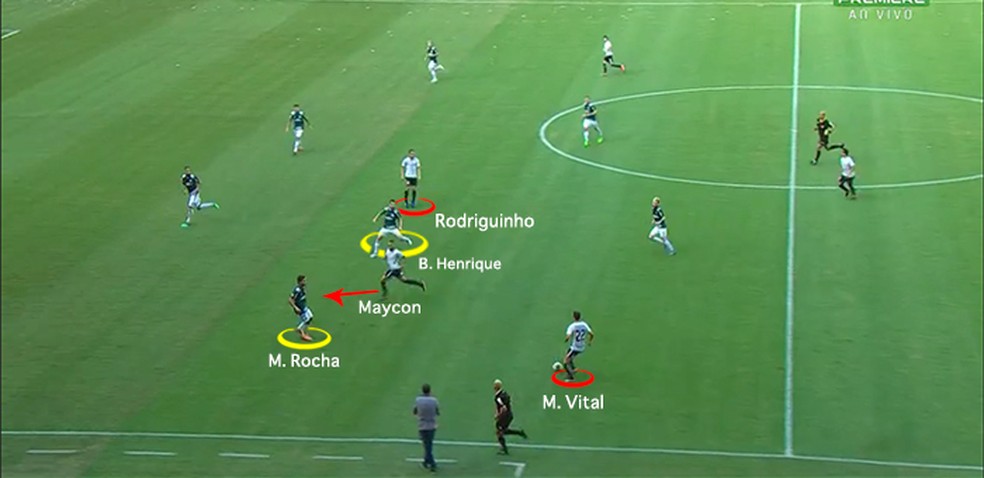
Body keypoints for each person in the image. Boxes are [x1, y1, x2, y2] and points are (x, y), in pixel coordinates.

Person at [493, 379, 527, 455]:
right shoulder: (504, 393)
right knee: (503, 431)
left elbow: (503, 408)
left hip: (505, 416)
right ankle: (519, 433)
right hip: (509, 415)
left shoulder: (498, 397)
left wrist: (498, 415)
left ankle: (504, 449)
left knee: (499, 432)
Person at [413, 383, 439, 472]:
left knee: (426, 445)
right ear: (430, 391)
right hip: (431, 425)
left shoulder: (418, 400)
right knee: (428, 445)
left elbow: (415, 411)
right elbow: (437, 412)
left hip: (422, 425)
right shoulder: (434, 400)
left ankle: (430, 462)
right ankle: (429, 462)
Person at [562, 311, 594, 381]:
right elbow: (592, 334)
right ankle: (573, 368)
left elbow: (568, 336)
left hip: (575, 348)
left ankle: (570, 376)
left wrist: (566, 339)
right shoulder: (584, 324)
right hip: (582, 347)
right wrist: (590, 342)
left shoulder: (572, 326)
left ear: (573, 317)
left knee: (565, 362)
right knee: (569, 356)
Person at [288, 275, 313, 341]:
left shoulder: (302, 288)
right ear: (300, 282)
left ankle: (303, 331)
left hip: (304, 307)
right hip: (300, 308)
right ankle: (302, 333)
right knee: (306, 319)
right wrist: (295, 307)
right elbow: (290, 299)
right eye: (304, 281)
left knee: (310, 317)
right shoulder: (297, 290)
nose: (305, 282)